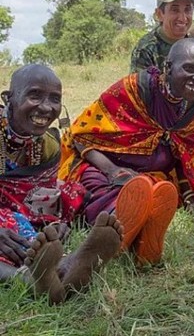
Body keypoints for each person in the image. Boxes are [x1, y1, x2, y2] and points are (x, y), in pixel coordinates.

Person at [59, 39, 194, 266]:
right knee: (94, 183)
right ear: (168, 68)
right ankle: (126, 228)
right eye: (188, 68)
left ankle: (140, 232)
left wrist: (189, 196)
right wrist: (113, 170)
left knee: (155, 190)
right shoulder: (133, 89)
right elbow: (81, 136)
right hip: (105, 166)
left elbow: (187, 155)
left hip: (151, 177)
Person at [1, 64, 122, 304]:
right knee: (9, 222)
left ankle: (66, 265)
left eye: (54, 99)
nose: (46, 108)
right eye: (34, 95)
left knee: (71, 194)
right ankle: (30, 279)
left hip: (18, 210)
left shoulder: (47, 145)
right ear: (9, 99)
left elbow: (40, 195)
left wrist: (57, 224)